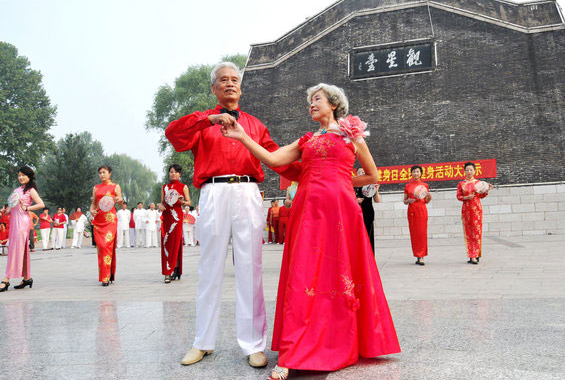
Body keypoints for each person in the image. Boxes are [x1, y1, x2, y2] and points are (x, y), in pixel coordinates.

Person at [221, 83, 400, 378]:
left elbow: (373, 174)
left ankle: (341, 340)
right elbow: (275, 160)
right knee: (303, 274)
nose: (311, 105)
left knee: (340, 272)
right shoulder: (306, 139)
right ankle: (293, 352)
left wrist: (341, 181)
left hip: (342, 210)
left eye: (316, 99)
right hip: (308, 210)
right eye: (310, 101)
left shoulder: (351, 135)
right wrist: (242, 137)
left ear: (333, 103)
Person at [165, 61, 300, 368]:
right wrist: (208, 118)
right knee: (209, 267)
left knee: (250, 267)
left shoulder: (254, 124)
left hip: (247, 192)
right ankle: (202, 341)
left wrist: (314, 169)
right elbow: (173, 134)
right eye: (222, 80)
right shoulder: (202, 125)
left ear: (241, 87)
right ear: (214, 88)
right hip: (212, 192)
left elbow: (278, 159)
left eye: (234, 80)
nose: (229, 84)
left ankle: (253, 344)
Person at [1, 166, 45, 292]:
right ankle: (27, 278)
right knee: (22, 249)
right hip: (14, 221)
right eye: (19, 175)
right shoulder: (16, 190)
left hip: (23, 222)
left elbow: (41, 204)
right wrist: (5, 211)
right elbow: (10, 208)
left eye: (23, 175)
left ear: (29, 176)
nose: (20, 177)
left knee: (15, 250)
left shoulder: (31, 190)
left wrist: (27, 208)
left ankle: (6, 279)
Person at [89, 166, 123, 286]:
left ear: (110, 174)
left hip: (110, 221)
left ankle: (105, 277)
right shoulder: (96, 188)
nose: (102, 175)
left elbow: (121, 201)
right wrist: (92, 211)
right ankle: (108, 273)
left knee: (106, 246)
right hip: (98, 221)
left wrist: (119, 200)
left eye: (104, 172)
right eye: (100, 173)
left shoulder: (115, 186)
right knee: (102, 248)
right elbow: (93, 204)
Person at [158, 164, 191, 283]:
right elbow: (162, 203)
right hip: (167, 217)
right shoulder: (164, 187)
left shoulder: (183, 187)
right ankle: (171, 269)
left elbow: (189, 202)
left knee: (175, 242)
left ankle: (171, 270)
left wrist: (183, 202)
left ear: (179, 174)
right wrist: (160, 206)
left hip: (176, 218)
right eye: (171, 172)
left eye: (175, 172)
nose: (173, 174)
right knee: (167, 243)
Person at [457, 162, 493, 264]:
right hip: (466, 210)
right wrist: (466, 197)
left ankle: (476, 254)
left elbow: (481, 196)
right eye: (467, 170)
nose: (469, 172)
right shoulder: (461, 184)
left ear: (475, 171)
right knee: (469, 232)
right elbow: (458, 196)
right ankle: (472, 254)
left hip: (477, 209)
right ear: (464, 171)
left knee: (477, 232)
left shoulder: (478, 183)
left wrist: (486, 190)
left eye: (471, 170)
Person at [404, 165, 432, 266]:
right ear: (411, 173)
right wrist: (408, 201)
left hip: (422, 210)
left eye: (417, 172)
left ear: (421, 173)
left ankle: (422, 256)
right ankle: (417, 255)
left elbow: (427, 201)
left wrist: (430, 197)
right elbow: (404, 201)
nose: (416, 173)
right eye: (414, 172)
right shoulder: (408, 186)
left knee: (422, 233)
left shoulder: (425, 185)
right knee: (414, 233)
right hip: (412, 211)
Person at [355, 168, 381, 254]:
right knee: (357, 236)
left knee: (368, 234)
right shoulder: (353, 186)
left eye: (363, 172)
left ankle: (370, 257)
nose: (361, 174)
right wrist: (355, 200)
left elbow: (377, 200)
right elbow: (345, 199)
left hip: (368, 212)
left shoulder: (370, 186)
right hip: (355, 213)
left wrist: (376, 190)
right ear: (356, 175)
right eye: (359, 172)